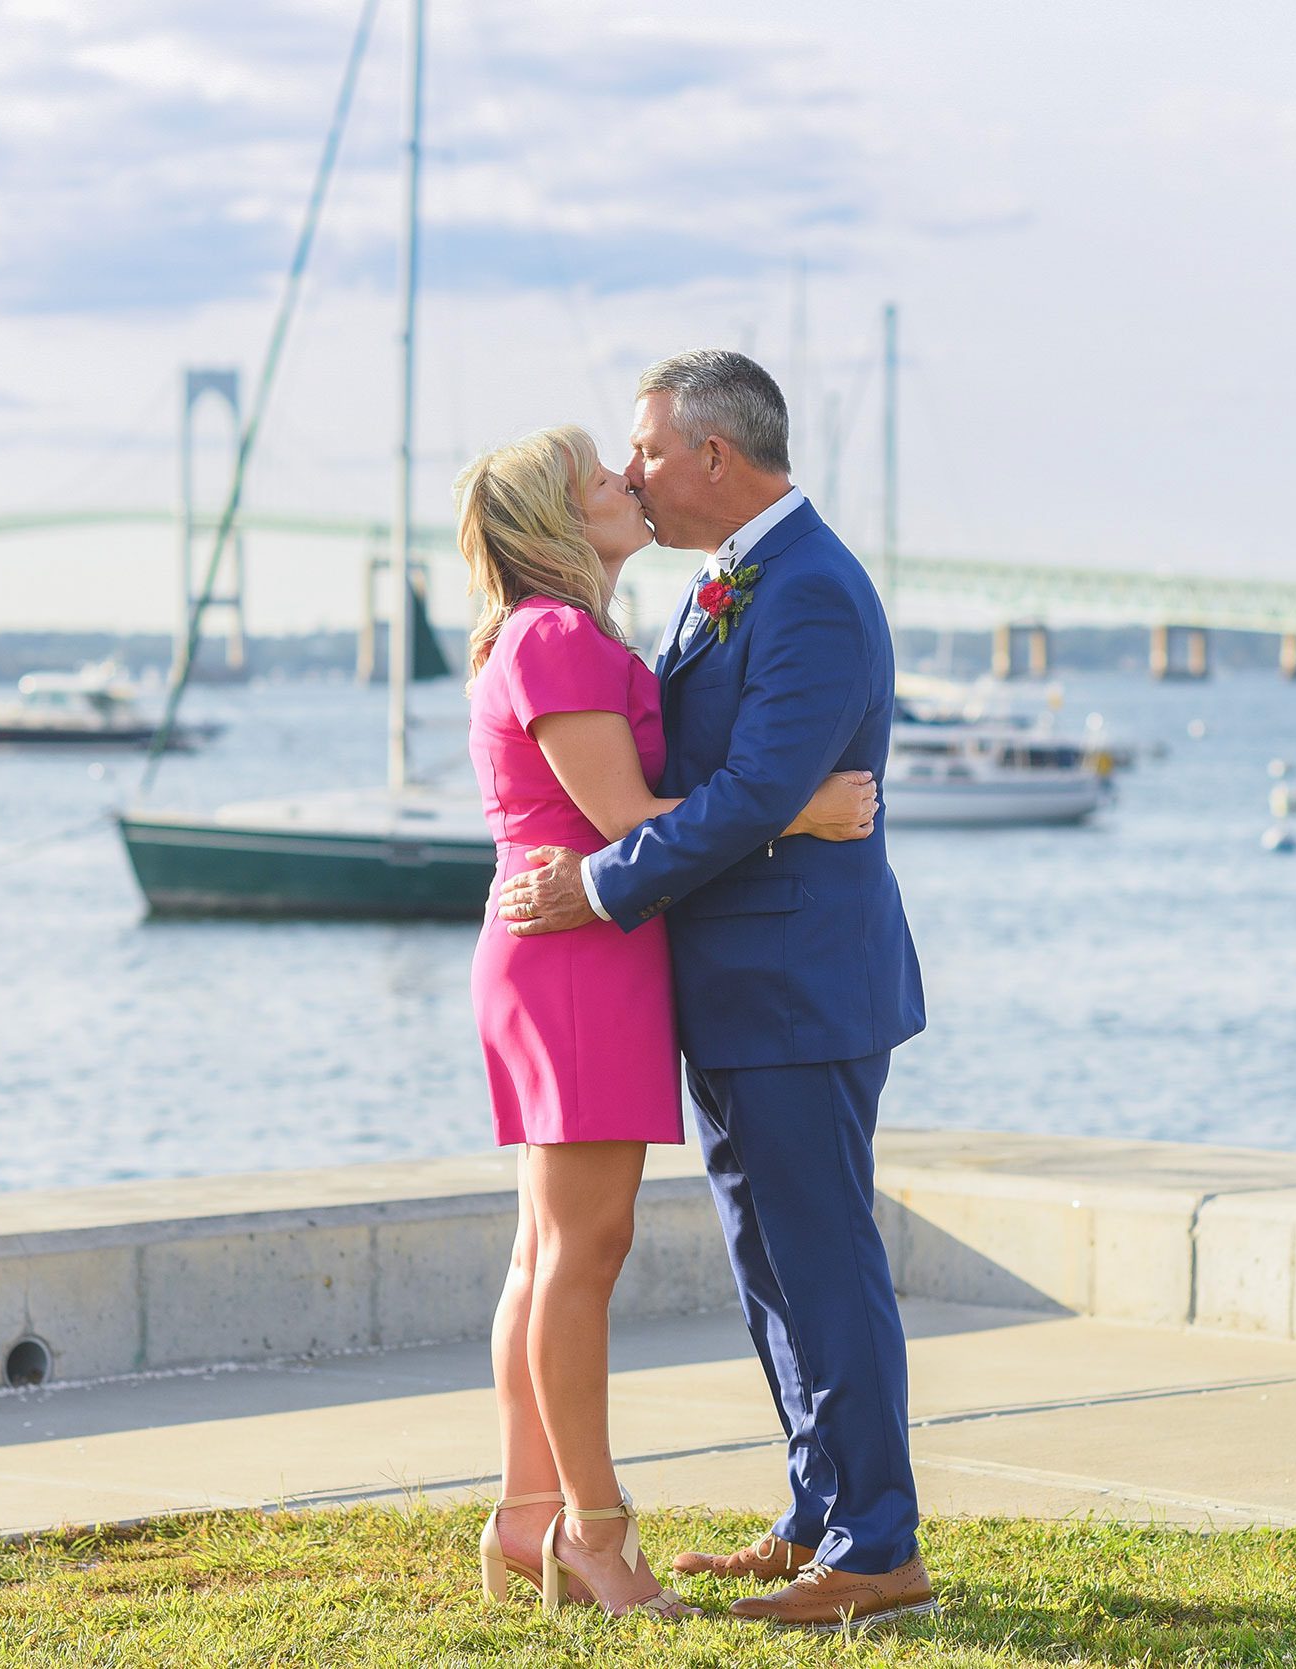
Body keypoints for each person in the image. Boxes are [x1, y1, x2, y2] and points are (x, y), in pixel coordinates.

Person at [498, 351, 934, 1632]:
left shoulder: (807, 592)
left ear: (712, 458)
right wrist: (783, 814)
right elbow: (754, 793)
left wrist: (597, 887)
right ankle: (817, 1512)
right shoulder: (726, 584)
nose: (630, 472)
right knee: (771, 1264)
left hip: (798, 984)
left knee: (823, 1258)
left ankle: (876, 1544)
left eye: (643, 449)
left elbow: (745, 796)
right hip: (741, 981)